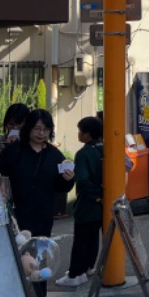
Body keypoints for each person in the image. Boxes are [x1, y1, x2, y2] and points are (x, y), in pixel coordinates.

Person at [0, 109, 74, 238]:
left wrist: (68, 179)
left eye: (46, 129)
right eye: (37, 128)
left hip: (43, 216)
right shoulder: (13, 151)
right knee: (17, 253)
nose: (41, 133)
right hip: (15, 215)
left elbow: (62, 187)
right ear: (28, 127)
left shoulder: (54, 155)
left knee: (40, 252)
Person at [56, 117, 103, 287]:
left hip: (88, 203)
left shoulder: (83, 154)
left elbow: (82, 179)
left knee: (81, 240)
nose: (78, 134)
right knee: (92, 238)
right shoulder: (105, 148)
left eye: (80, 131)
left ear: (87, 134)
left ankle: (75, 274)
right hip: (101, 205)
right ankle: (89, 267)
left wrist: (96, 194)